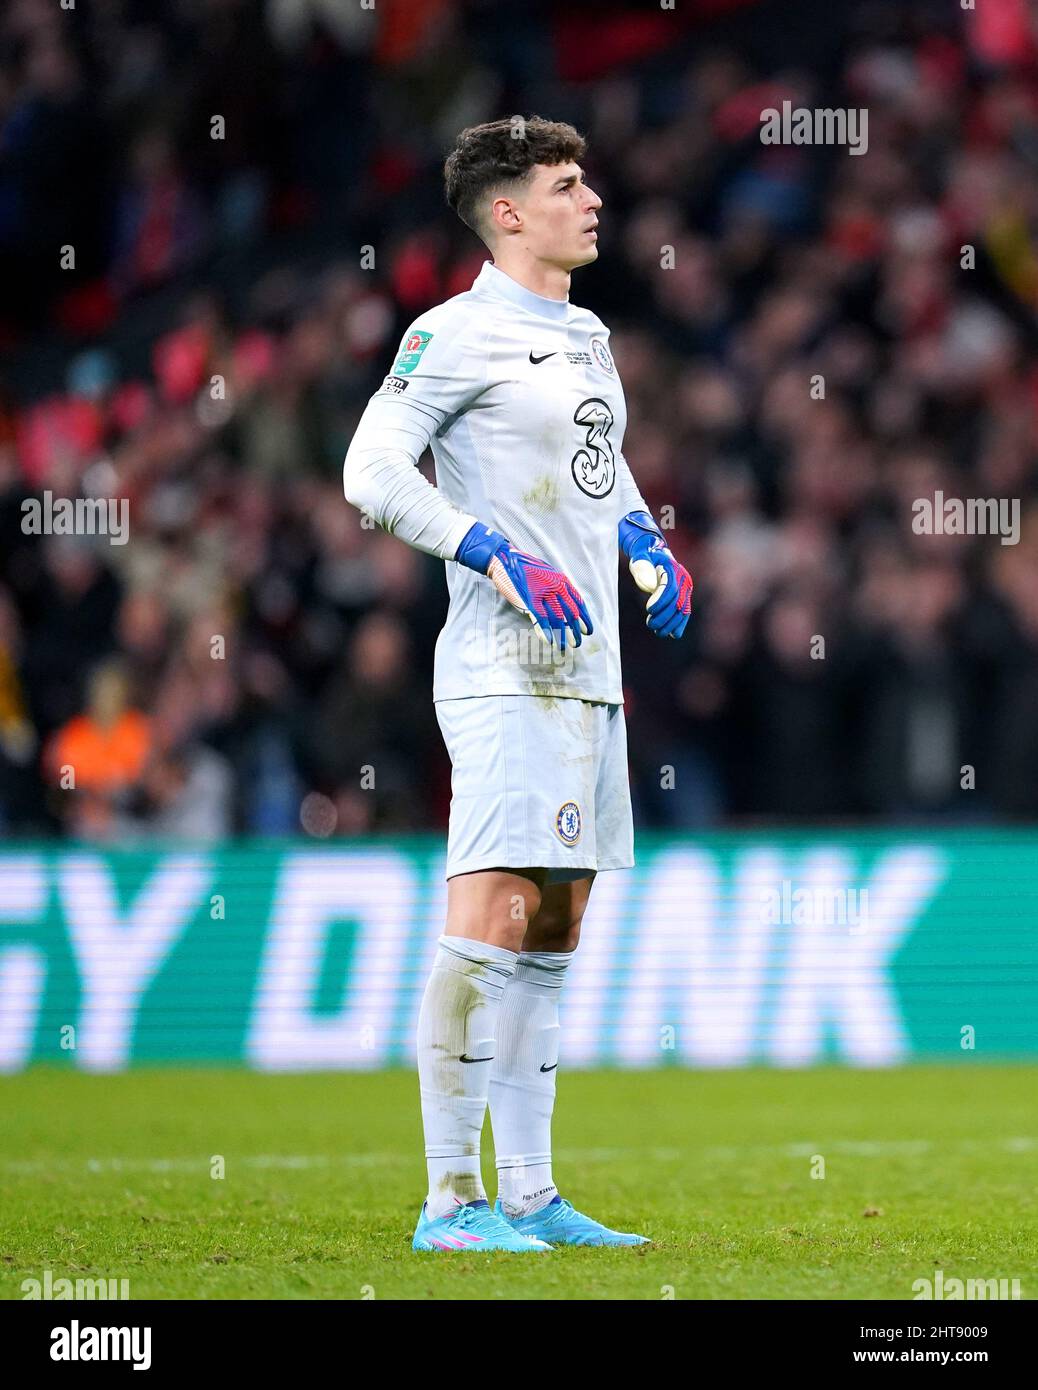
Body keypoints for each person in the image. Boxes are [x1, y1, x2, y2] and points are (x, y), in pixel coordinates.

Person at [342, 115, 693, 1253]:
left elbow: (596, 460)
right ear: (507, 213)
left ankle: (534, 1193)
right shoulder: (452, 334)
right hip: (503, 673)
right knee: (489, 921)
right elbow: (371, 467)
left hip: (589, 673)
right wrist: (486, 549)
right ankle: (451, 1201)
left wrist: (643, 535)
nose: (592, 197)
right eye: (565, 183)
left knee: (555, 925)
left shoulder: (583, 332)